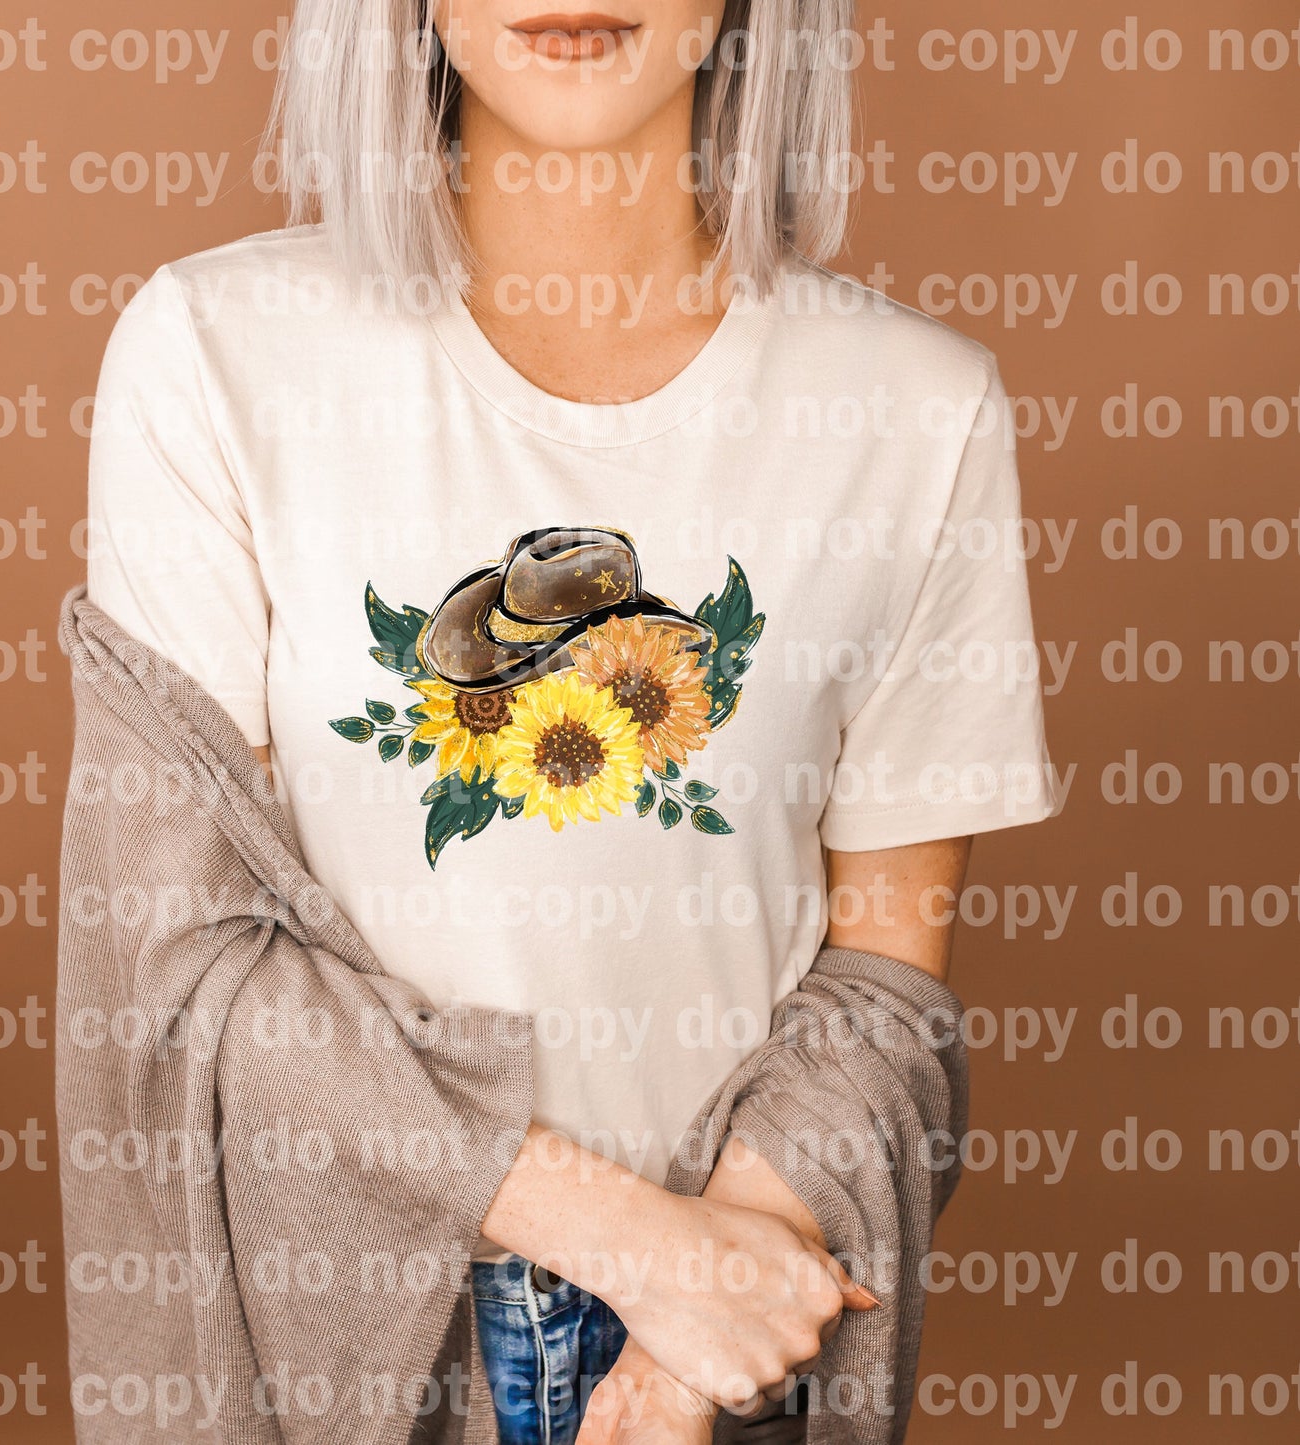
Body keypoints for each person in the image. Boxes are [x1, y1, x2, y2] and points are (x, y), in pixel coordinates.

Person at [84, 3, 1057, 1441]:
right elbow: (188, 971)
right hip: (354, 1323)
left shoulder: (915, 409)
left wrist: (681, 1347)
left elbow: (884, 982)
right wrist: (638, 1246)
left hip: (734, 1326)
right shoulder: (216, 354)